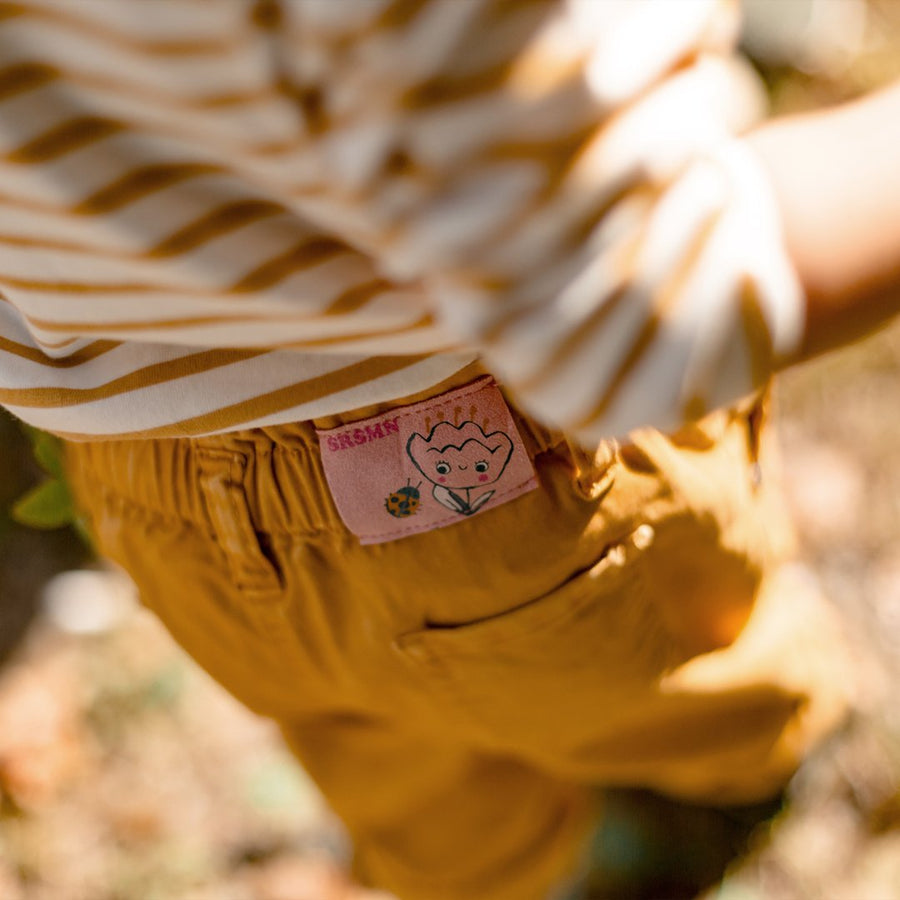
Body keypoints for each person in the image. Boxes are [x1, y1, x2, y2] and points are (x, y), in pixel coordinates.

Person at [0, 1, 898, 897]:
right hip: (488, 468)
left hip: (143, 467)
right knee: (672, 674)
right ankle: (737, 772)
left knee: (376, 747)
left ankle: (484, 870)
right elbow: (645, 299)